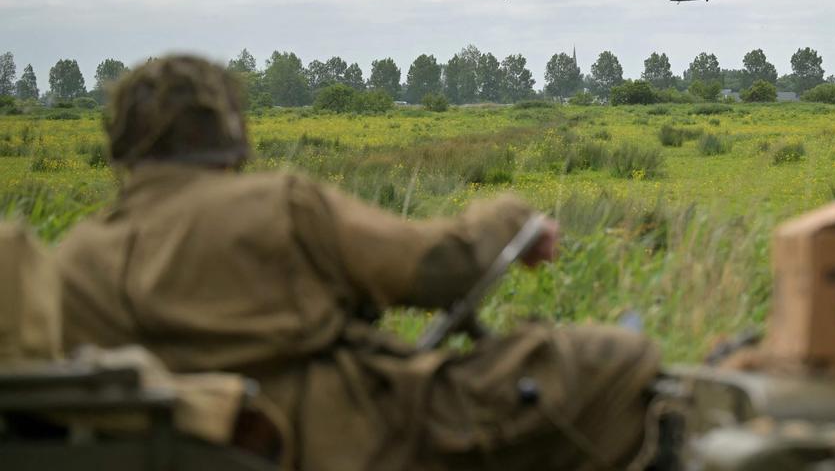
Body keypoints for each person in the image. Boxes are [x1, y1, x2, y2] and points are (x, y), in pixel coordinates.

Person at [55, 55, 661, 471]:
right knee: (615, 360)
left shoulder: (74, 259)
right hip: (351, 443)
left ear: (123, 144)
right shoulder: (277, 205)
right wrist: (510, 217)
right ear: (230, 133)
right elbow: (443, 267)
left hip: (191, 451)